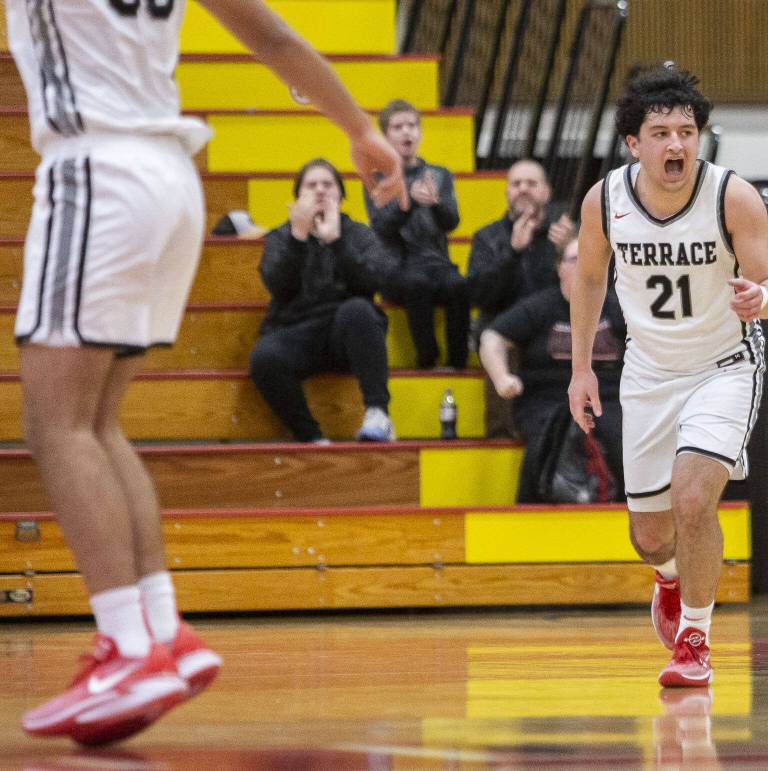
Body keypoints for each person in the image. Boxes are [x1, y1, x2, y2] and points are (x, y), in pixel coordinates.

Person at [7, 0, 406, 745]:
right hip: (170, 179)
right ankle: (162, 629)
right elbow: (272, 34)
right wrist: (358, 128)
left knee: (55, 424)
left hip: (96, 169)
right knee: (95, 423)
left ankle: (126, 647)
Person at [567, 66, 768, 687]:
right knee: (649, 536)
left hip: (723, 368)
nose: (676, 145)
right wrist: (581, 369)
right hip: (648, 373)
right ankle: (668, 578)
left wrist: (760, 299)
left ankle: (695, 639)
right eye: (661, 133)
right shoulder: (604, 200)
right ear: (633, 143)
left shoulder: (732, 196)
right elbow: (589, 279)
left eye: (687, 132)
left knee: (694, 499)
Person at [250, 158, 397, 443]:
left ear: (340, 195)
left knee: (359, 310)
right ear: (298, 197)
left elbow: (375, 282)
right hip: (297, 331)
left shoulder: (359, 233)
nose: (320, 190)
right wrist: (298, 238)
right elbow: (278, 287)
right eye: (311, 185)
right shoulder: (282, 236)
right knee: (264, 358)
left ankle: (378, 414)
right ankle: (311, 437)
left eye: (328, 185)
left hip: (348, 333)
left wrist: (337, 242)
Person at [479, 238, 625, 503]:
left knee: (626, 441)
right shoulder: (540, 306)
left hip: (608, 399)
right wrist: (502, 377)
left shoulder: (618, 308)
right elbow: (492, 337)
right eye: (574, 259)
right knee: (546, 440)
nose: (583, 266)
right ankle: (531, 513)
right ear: (559, 267)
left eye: (590, 260)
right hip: (548, 399)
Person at [467, 159, 575, 437]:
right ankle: (503, 435)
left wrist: (570, 250)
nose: (523, 189)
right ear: (507, 192)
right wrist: (512, 253)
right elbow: (481, 297)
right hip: (507, 326)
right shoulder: (487, 237)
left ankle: (572, 430)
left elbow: (589, 288)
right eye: (516, 184)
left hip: (555, 324)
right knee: (498, 342)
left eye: (531, 183)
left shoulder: (565, 235)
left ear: (547, 192)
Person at [364, 99, 469, 369]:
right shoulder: (376, 177)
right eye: (398, 127)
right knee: (417, 283)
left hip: (436, 263)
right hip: (396, 267)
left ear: (420, 132)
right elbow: (382, 227)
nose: (406, 132)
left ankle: (457, 363)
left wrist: (436, 204)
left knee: (459, 285)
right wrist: (408, 202)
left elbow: (451, 222)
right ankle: (427, 360)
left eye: (412, 125)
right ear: (386, 136)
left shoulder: (440, 174)